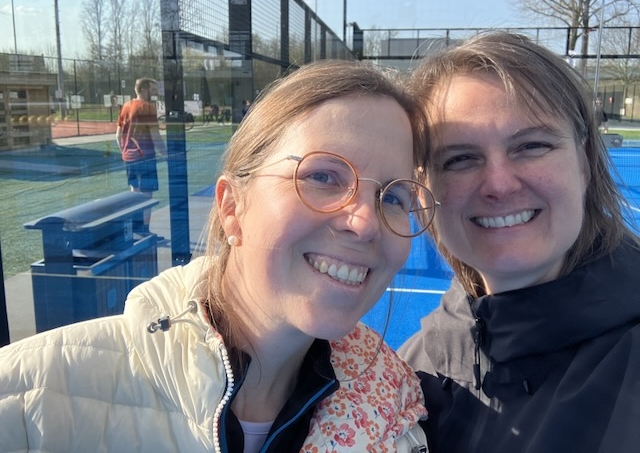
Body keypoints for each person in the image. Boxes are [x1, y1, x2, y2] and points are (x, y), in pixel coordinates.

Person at [0, 60, 437, 452]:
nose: (365, 223)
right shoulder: (31, 400)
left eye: (393, 197)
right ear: (232, 208)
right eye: (323, 176)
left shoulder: (395, 410)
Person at [399, 31, 640, 452]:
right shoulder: (404, 375)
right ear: (424, 191)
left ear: (584, 164)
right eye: (459, 159)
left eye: (531, 145)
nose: (499, 184)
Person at [115, 77, 167, 235]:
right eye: (152, 89)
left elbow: (118, 135)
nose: (155, 92)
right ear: (143, 90)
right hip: (145, 157)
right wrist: (168, 156)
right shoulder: (147, 108)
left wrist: (125, 151)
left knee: (134, 191)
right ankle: (144, 230)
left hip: (129, 158)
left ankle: (135, 228)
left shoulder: (126, 106)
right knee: (146, 193)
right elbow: (156, 137)